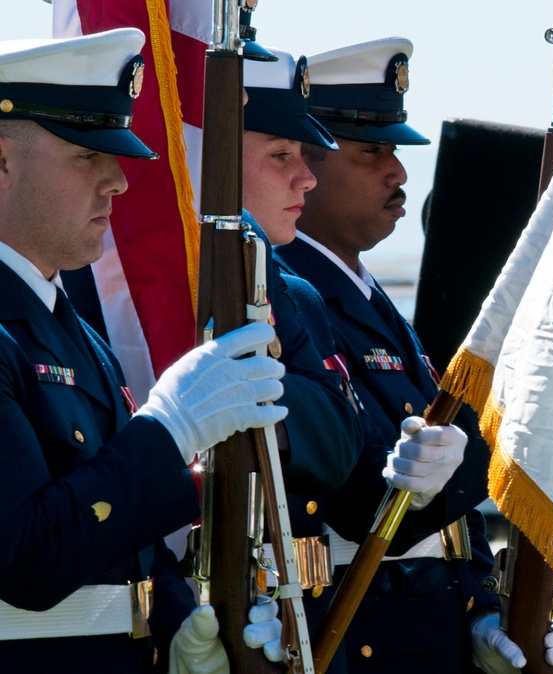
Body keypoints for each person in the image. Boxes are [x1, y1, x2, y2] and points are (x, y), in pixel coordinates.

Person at [0, 28, 287, 672]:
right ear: (1, 161)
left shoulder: (71, 332)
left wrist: (184, 621)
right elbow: (25, 558)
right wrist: (167, 430)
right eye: (86, 153)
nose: (118, 181)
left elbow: (119, 539)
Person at [273, 37, 526, 674]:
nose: (400, 172)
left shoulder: (367, 295)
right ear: (308, 160)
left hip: (427, 630)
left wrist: (483, 604)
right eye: (372, 152)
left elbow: (443, 491)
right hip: (363, 637)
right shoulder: (290, 297)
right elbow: (369, 494)